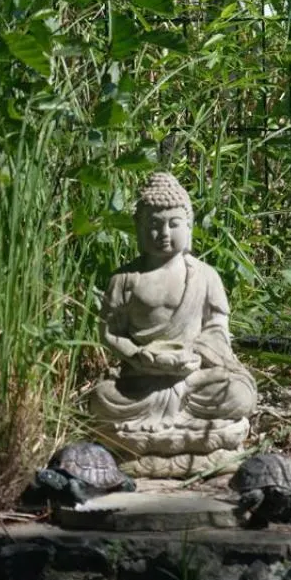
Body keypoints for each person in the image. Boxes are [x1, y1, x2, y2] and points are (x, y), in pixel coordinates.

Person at [89, 172, 256, 476]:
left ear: (189, 227)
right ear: (138, 230)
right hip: (142, 382)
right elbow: (109, 332)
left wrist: (195, 354)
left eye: (173, 224)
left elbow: (217, 327)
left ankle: (148, 443)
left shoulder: (206, 276)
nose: (163, 233)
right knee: (101, 398)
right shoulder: (125, 280)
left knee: (239, 394)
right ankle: (191, 440)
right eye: (153, 225)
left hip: (193, 379)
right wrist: (138, 356)